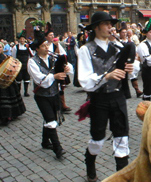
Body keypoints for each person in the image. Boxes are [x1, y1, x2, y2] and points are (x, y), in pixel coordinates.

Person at [77, 11, 133, 182]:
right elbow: (84, 80)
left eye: (112, 24)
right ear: (96, 27)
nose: (111, 27)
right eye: (107, 24)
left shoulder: (118, 47)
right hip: (99, 99)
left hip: (118, 97)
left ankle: (121, 176)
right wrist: (106, 76)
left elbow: (128, 72)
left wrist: (130, 70)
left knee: (122, 137)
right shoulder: (86, 50)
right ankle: (90, 161)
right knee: (97, 139)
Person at [27, 28, 73, 159]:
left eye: (46, 44)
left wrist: (67, 68)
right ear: (37, 49)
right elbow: (40, 80)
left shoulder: (53, 57)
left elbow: (67, 68)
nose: (46, 47)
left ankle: (45, 142)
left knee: (49, 118)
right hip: (41, 96)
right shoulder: (32, 62)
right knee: (51, 120)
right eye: (43, 46)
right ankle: (58, 149)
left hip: (54, 94)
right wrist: (54, 76)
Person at [45, 28, 72, 113]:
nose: (52, 36)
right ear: (46, 37)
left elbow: (64, 55)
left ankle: (63, 104)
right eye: (50, 35)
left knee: (60, 87)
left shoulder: (56, 45)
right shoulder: (44, 45)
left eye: (53, 35)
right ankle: (53, 104)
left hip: (56, 68)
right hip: (47, 69)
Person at [0, 42, 26, 125]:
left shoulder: (4, 57)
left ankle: (13, 113)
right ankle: (5, 116)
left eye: (0, 47)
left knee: (11, 95)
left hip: (8, 80)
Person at [12, 29, 33, 97]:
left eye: (23, 39)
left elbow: (30, 55)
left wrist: (29, 64)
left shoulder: (27, 47)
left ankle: (26, 92)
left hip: (26, 65)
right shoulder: (16, 47)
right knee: (19, 79)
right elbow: (14, 56)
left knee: (26, 79)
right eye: (21, 39)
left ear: (25, 39)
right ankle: (18, 92)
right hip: (19, 65)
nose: (22, 40)